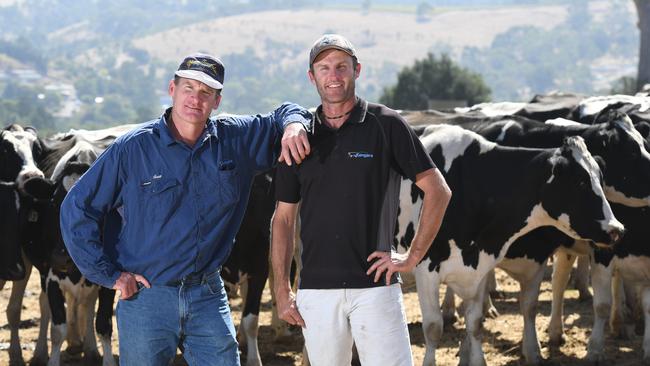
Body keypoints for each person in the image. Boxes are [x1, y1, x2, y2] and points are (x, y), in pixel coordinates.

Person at [60, 53, 312, 366]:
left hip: (206, 294)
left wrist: (293, 125)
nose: (195, 99)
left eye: (206, 92)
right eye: (188, 88)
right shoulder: (134, 149)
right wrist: (109, 275)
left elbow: (286, 112)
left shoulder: (234, 141)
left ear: (217, 101)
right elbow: (77, 208)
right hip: (146, 299)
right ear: (172, 89)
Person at [271, 34, 452, 366]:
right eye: (324, 68)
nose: (334, 75)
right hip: (315, 291)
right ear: (312, 77)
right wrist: (281, 291)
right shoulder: (298, 137)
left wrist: (411, 258)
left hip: (376, 287)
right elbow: (282, 219)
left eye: (342, 66)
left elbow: (438, 190)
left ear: (357, 70)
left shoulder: (386, 125)